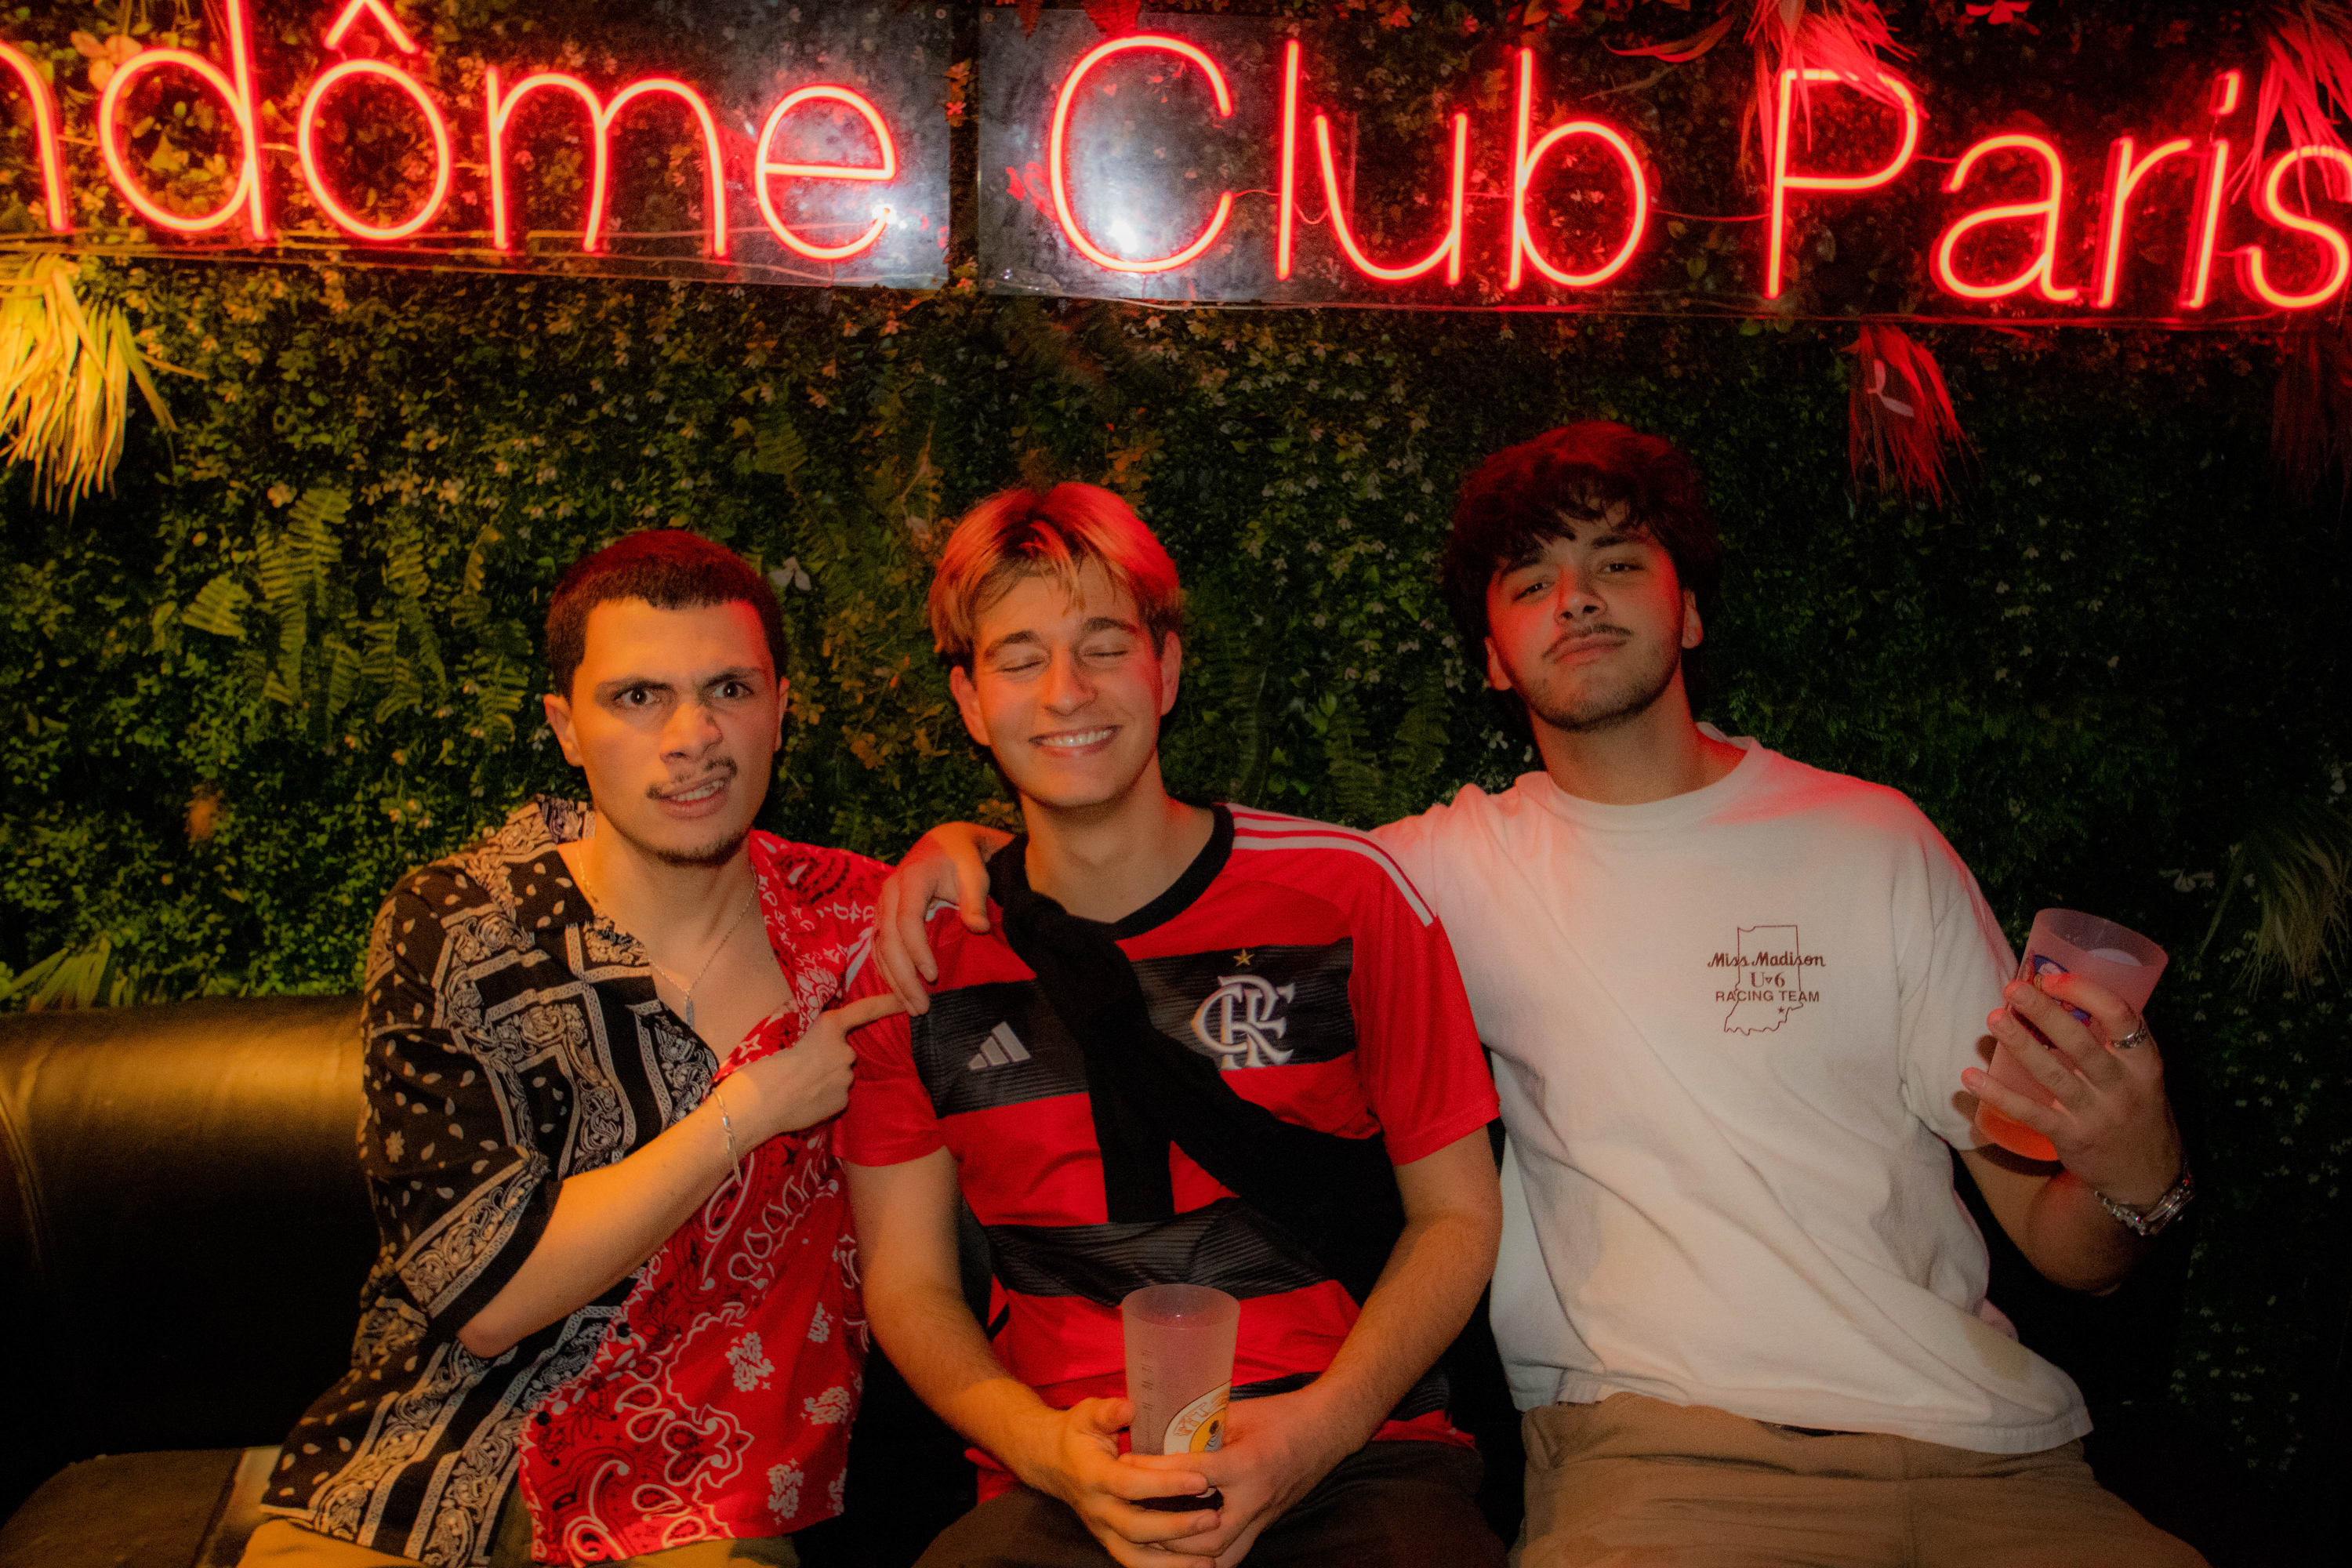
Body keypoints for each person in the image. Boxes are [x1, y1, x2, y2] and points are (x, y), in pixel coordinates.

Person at [873, 424, 2205, 1566]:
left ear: (1690, 609)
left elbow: (2065, 1243)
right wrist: (981, 864)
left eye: (1617, 562)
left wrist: (2140, 1171)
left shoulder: (1876, 844)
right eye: (1531, 581)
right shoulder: (1432, 870)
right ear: (1494, 657)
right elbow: (1161, 868)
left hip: (1990, 1449)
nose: (1577, 601)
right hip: (1664, 1462)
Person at [835, 483, 1508, 1568]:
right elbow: (908, 1284)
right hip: (1062, 1477)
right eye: (1019, 660)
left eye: (1104, 646)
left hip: (1354, 1457)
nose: (1067, 691)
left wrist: (1316, 1433)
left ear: (1168, 668)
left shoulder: (1347, 896)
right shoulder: (919, 959)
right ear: (969, 701)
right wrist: (1045, 1451)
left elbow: (1459, 1216)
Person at [246, 531, 902, 1568]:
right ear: (566, 728)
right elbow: (488, 1297)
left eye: (729, 689)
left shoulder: (861, 921)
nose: (693, 736)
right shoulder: (460, 928)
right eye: (638, 697)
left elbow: (1064, 891)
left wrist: (968, 848)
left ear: (782, 709)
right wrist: (753, 1108)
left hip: (695, 1501)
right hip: (425, 1478)